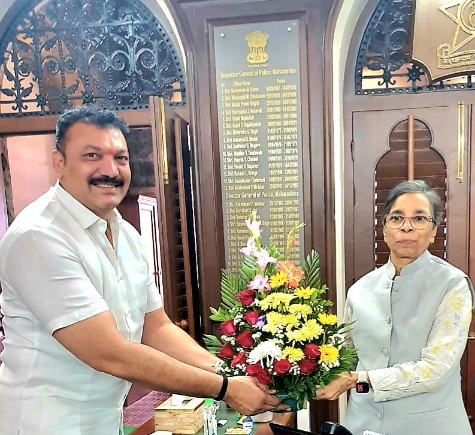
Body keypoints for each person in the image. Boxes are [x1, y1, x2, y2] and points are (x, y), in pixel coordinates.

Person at [0, 107, 287, 435]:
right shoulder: (39, 237)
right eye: (92, 156)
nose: (110, 170)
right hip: (44, 423)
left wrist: (229, 374)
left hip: (104, 419)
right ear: (59, 162)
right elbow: (110, 354)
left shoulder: (125, 232)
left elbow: (156, 328)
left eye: (120, 158)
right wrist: (225, 389)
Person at [315, 180, 473, 435]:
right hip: (363, 425)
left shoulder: (452, 285)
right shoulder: (360, 290)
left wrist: (360, 379)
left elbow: (436, 369)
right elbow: (344, 357)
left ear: (434, 230)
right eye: (397, 218)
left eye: (419, 218)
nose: (406, 227)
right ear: (385, 228)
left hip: (430, 427)